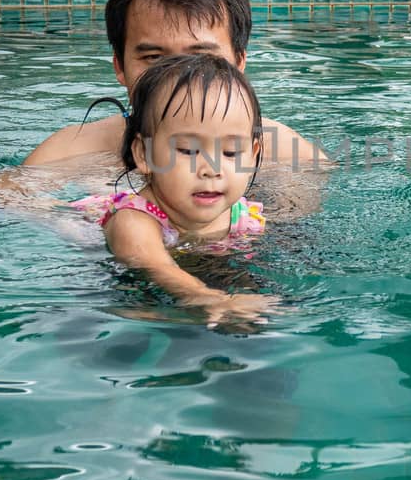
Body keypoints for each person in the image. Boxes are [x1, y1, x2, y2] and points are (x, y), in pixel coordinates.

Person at [24, 0, 320, 170]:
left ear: (239, 64)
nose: (177, 77)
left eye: (202, 57)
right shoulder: (69, 154)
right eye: (154, 58)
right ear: (120, 67)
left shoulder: (285, 156)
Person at [70, 54, 274, 322]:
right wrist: (204, 296)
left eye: (230, 151)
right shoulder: (133, 222)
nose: (212, 168)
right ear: (144, 154)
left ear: (253, 153)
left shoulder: (243, 215)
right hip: (84, 219)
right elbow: (154, 264)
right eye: (188, 150)